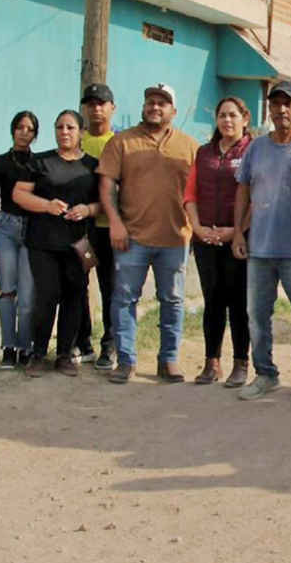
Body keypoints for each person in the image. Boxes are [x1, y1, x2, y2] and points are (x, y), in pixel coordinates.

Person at [97, 83, 198, 384]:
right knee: (124, 299)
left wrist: (196, 228)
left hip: (175, 238)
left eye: (162, 103)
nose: (155, 107)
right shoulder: (122, 142)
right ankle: (126, 360)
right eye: (150, 102)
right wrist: (115, 222)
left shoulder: (190, 146)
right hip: (132, 237)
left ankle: (169, 359)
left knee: (173, 300)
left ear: (173, 111)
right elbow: (106, 186)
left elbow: (198, 192)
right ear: (143, 107)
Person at [233, 81, 291, 403]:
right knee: (257, 315)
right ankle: (265, 374)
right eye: (275, 104)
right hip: (260, 248)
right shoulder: (256, 148)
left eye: (288, 103)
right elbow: (243, 188)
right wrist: (237, 232)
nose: (281, 109)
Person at [14, 111, 100, 377]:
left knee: (74, 296)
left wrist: (87, 209)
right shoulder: (40, 162)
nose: (64, 132)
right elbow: (19, 194)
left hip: (77, 245)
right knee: (47, 296)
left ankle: (64, 355)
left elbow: (104, 203)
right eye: (59, 127)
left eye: (70, 127)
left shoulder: (92, 166)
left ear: (81, 132)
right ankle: (38, 354)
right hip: (43, 243)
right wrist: (46, 205)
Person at [184, 97, 253, 385]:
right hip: (206, 241)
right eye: (222, 115)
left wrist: (235, 231)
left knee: (239, 303)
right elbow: (190, 194)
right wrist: (197, 228)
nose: (227, 120)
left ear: (245, 119)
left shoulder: (253, 151)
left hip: (240, 240)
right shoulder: (204, 153)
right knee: (212, 302)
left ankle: (240, 362)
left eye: (233, 115)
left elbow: (257, 196)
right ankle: (212, 362)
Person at [0, 111, 38, 369]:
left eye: (30, 129)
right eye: (20, 127)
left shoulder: (39, 164)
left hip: (31, 231)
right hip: (4, 229)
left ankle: (26, 346)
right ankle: (8, 347)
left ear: (35, 134)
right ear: (13, 130)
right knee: (7, 291)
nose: (24, 132)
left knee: (27, 295)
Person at [78, 83, 118, 370]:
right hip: (80, 230)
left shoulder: (118, 143)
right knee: (77, 285)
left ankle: (110, 344)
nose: (96, 109)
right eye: (90, 104)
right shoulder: (76, 140)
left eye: (101, 103)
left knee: (110, 288)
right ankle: (82, 342)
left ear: (112, 108)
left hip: (108, 229)